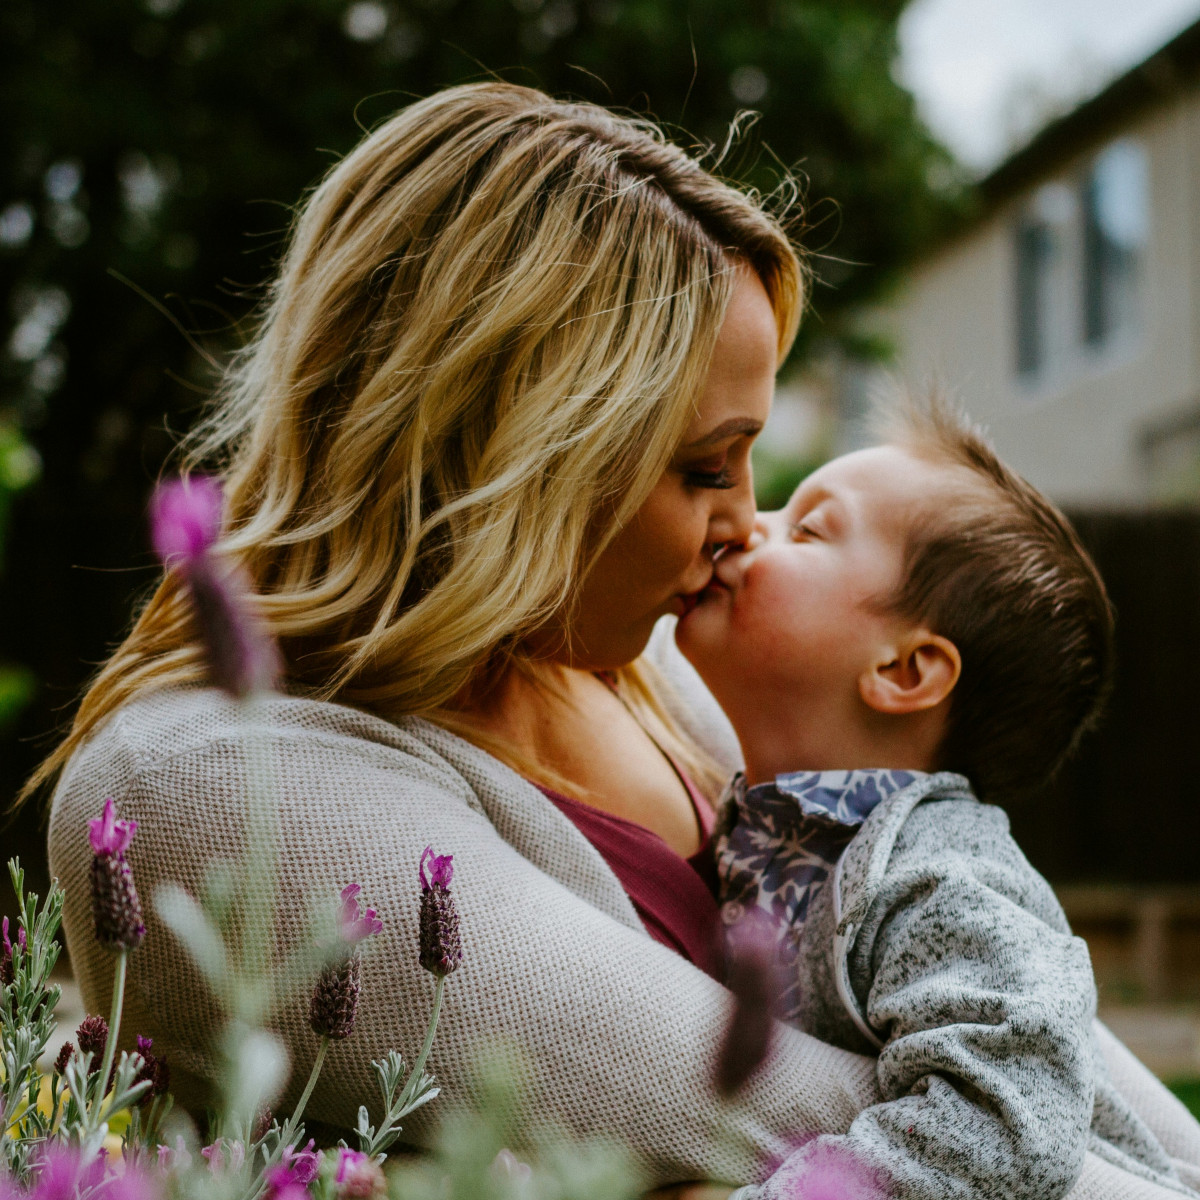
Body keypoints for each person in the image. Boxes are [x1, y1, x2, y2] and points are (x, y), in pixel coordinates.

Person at [32, 84, 1200, 1200]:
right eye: (704, 467)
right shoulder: (210, 786)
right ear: (517, 451)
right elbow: (832, 1121)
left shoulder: (659, 676)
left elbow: (1058, 1075)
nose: (746, 521)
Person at [676, 398, 1200, 1199]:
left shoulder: (937, 879)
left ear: (903, 671)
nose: (749, 523)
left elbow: (1009, 1125)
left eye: (808, 528)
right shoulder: (776, 831)